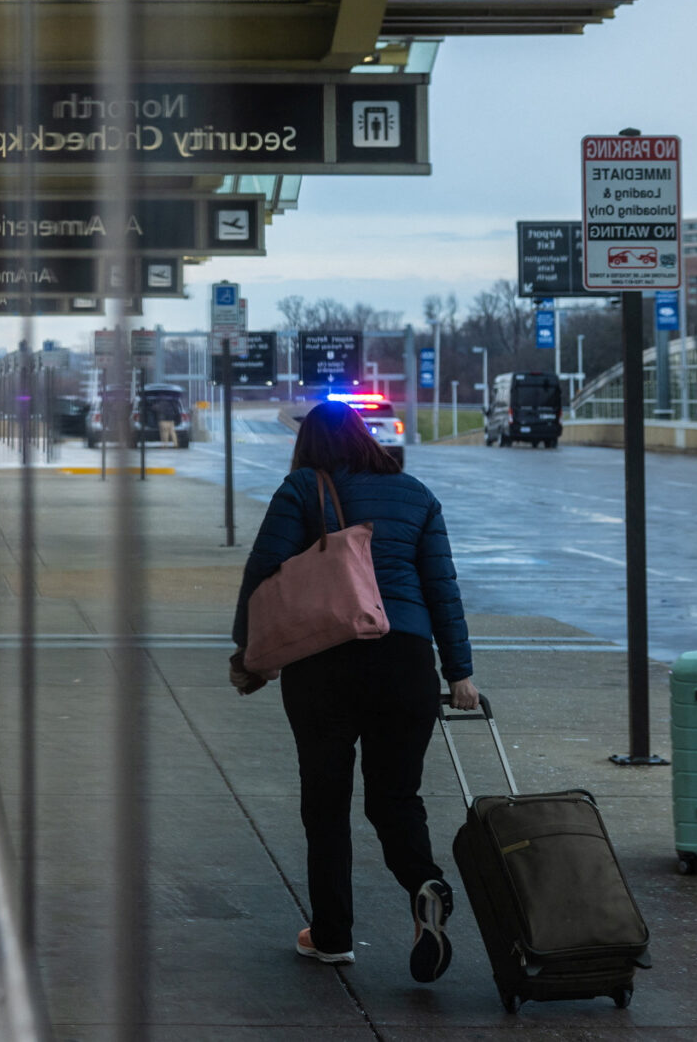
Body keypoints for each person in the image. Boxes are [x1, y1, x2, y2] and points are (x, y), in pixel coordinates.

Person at [230, 399, 479, 983]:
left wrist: (248, 652)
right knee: (396, 797)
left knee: (326, 800)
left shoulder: (301, 488)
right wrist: (459, 671)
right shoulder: (416, 493)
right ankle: (425, 885)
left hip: (325, 664)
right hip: (407, 662)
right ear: (366, 436)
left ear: (310, 444)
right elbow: (443, 589)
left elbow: (263, 574)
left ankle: (333, 935)